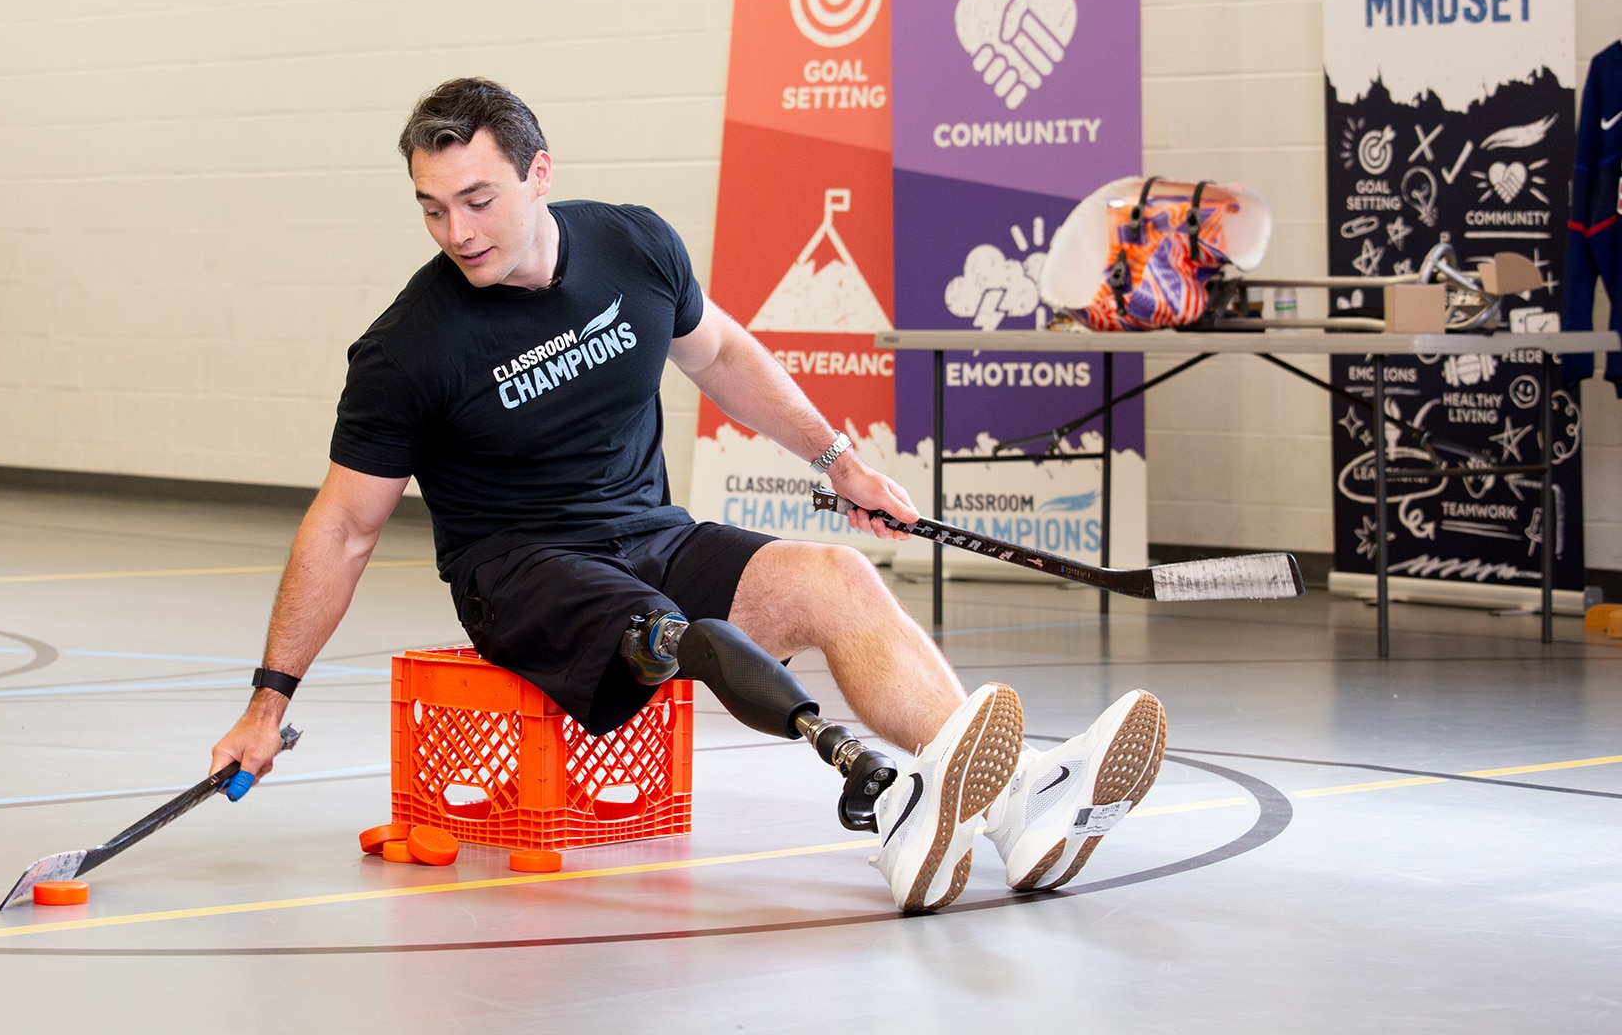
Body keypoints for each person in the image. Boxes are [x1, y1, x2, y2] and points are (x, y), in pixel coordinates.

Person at [210, 77, 1167, 913]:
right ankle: (897, 796)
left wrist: (841, 464)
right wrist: (268, 700)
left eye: (478, 200)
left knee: (834, 575)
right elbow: (343, 528)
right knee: (672, 627)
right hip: (521, 571)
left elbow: (724, 356)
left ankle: (1017, 813)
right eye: (431, 208)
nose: (457, 232)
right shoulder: (407, 348)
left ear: (540, 173)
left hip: (652, 533)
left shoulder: (634, 246)